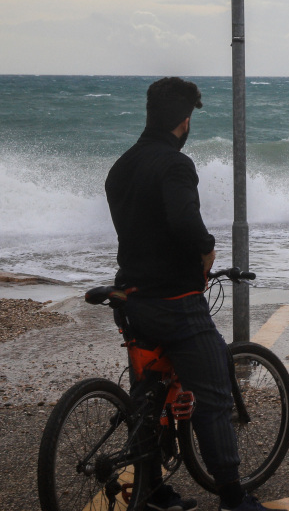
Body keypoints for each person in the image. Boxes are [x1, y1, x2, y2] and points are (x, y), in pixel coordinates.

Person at [105, 77, 271, 511]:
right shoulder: (176, 165)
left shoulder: (121, 166)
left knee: (148, 395)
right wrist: (207, 248)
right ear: (184, 119)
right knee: (214, 397)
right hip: (174, 301)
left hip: (131, 295)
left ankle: (153, 489)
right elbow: (182, 221)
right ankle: (234, 498)